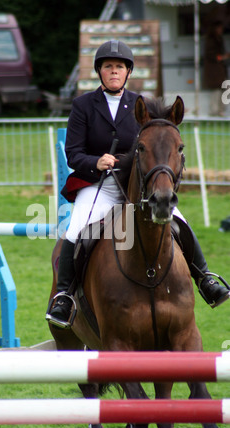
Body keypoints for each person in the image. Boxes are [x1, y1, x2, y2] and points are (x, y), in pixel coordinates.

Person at [46, 40, 230, 329]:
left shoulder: (140, 105)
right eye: (108, 66)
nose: (114, 71)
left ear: (128, 72)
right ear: (100, 72)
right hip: (99, 186)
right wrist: (96, 162)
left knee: (180, 222)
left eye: (119, 67)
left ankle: (205, 279)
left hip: (136, 186)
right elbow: (74, 153)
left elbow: (154, 147)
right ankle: (64, 296)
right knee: (76, 229)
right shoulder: (83, 106)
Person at [204, 20, 230, 116]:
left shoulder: (219, 39)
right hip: (214, 72)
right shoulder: (211, 40)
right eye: (219, 28)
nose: (221, 30)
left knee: (225, 88)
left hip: (221, 71)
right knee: (216, 91)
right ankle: (214, 112)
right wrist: (222, 57)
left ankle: (221, 110)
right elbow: (211, 55)